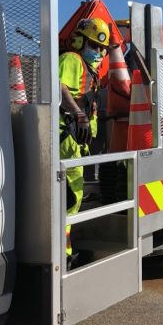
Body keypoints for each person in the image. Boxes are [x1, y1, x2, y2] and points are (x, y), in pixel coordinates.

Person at [58, 17, 110, 263]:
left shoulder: (91, 70)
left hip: (75, 140)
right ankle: (63, 254)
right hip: (65, 138)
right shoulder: (72, 60)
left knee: (73, 198)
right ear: (79, 42)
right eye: (94, 46)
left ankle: (65, 250)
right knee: (70, 198)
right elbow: (60, 86)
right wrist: (78, 114)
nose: (99, 52)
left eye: (102, 49)